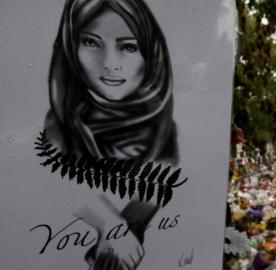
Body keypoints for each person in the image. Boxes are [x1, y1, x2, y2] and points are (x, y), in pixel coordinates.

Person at [44, 0, 178, 268]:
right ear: (71, 45)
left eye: (128, 46)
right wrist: (109, 222)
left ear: (150, 53)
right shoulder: (57, 129)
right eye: (91, 43)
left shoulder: (165, 134)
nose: (109, 63)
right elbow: (47, 180)